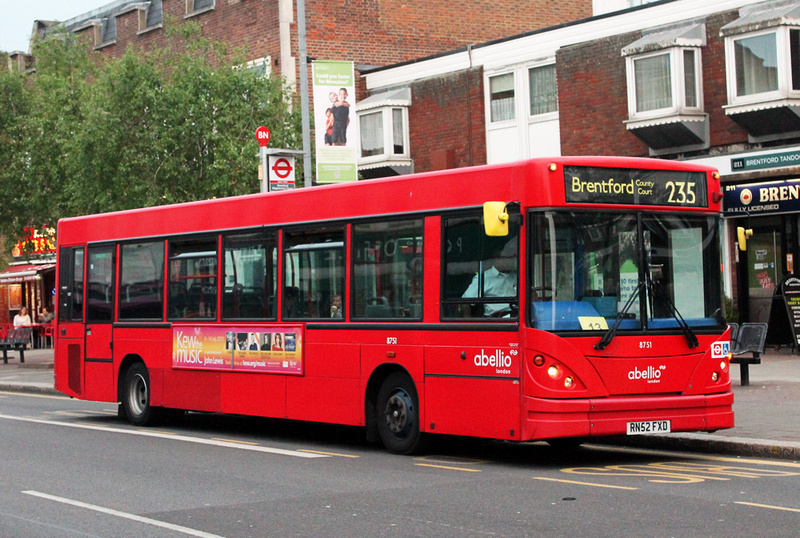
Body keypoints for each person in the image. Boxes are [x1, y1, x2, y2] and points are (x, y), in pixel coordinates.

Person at [462, 240, 518, 317]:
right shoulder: (484, 278)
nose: (512, 261)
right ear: (498, 259)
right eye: (509, 258)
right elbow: (466, 302)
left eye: (513, 258)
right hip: (498, 319)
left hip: (519, 316)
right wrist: (468, 325)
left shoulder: (517, 276)